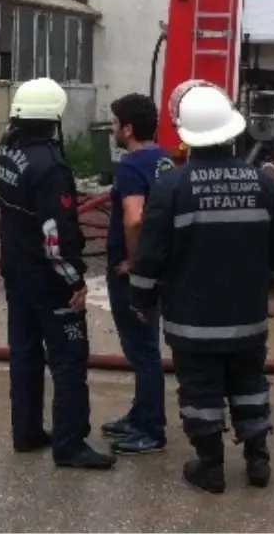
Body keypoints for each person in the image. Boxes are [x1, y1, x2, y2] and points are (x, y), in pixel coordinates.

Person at [128, 81, 274, 494]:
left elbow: (150, 254)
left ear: (188, 136)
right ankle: (257, 460)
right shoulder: (263, 184)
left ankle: (211, 466)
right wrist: (264, 283)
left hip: (192, 322)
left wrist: (141, 298)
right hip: (248, 318)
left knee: (200, 391)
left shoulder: (172, 187)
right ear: (231, 131)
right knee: (249, 384)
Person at [0, 77, 115, 471]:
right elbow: (55, 237)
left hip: (16, 270)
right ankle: (70, 444)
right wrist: (74, 281)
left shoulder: (6, 151)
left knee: (25, 352)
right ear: (53, 120)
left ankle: (25, 431)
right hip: (47, 279)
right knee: (68, 359)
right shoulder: (50, 167)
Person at [100, 93, 173, 455]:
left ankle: (151, 429)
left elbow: (134, 217)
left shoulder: (130, 166)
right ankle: (139, 414)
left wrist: (134, 263)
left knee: (142, 351)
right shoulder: (164, 160)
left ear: (127, 128)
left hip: (135, 273)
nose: (112, 129)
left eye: (114, 123)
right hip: (161, 265)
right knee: (145, 346)